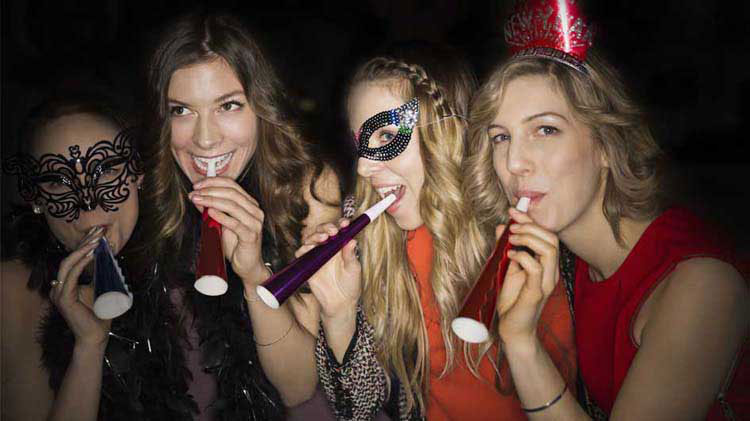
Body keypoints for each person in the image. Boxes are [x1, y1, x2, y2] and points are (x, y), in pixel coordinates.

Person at [464, 1, 750, 418]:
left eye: (545, 129)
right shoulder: (566, 264)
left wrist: (522, 344)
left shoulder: (700, 285)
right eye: (500, 137)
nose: (513, 164)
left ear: (605, 144)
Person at [302, 44, 576, 421]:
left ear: (447, 131)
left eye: (384, 136)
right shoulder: (372, 239)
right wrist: (339, 314)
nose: (363, 167)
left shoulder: (523, 231)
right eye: (359, 144)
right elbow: (358, 408)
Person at [137, 12, 341, 420]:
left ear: (260, 107)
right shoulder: (146, 196)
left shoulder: (307, 189)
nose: (205, 138)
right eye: (182, 111)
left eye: (228, 105)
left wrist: (254, 275)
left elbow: (298, 386)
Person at [1, 92, 144, 420]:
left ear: (138, 174)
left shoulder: (184, 275)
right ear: (36, 198)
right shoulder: (10, 295)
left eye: (106, 170)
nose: (89, 205)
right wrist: (89, 348)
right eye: (58, 181)